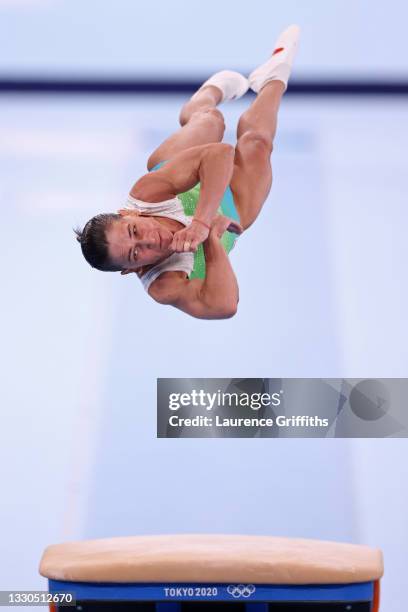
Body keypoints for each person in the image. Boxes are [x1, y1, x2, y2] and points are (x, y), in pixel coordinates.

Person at [76, 25, 300, 319]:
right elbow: (224, 306)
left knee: (210, 122)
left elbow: (220, 153)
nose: (148, 241)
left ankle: (205, 97)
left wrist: (201, 222)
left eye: (134, 230)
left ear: (129, 213)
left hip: (180, 177)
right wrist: (211, 240)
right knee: (256, 144)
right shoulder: (165, 284)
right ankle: (274, 76)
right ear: (131, 270)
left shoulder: (147, 194)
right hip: (230, 207)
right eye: (135, 254)